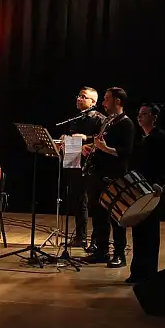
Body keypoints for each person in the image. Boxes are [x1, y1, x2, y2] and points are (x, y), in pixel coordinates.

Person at [82, 87, 135, 267]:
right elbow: (101, 144)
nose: (103, 103)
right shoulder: (109, 121)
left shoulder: (126, 124)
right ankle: (101, 250)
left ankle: (119, 254)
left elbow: (125, 152)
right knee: (99, 215)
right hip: (99, 174)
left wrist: (104, 148)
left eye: (106, 99)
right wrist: (91, 147)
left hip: (114, 176)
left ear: (117, 101)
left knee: (116, 217)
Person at [127, 103, 165, 283]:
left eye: (144, 114)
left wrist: (160, 183)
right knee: (138, 232)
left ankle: (149, 274)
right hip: (140, 190)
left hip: (153, 191)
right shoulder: (142, 138)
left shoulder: (159, 138)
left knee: (150, 234)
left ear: (154, 117)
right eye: (139, 113)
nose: (139, 117)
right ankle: (137, 272)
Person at [64, 87, 106, 248]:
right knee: (78, 200)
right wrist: (64, 140)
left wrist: (86, 138)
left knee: (94, 203)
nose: (79, 98)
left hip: (93, 165)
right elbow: (71, 138)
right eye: (79, 96)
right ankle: (80, 237)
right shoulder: (75, 119)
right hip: (75, 161)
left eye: (83, 96)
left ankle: (96, 241)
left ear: (93, 102)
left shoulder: (100, 119)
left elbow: (103, 139)